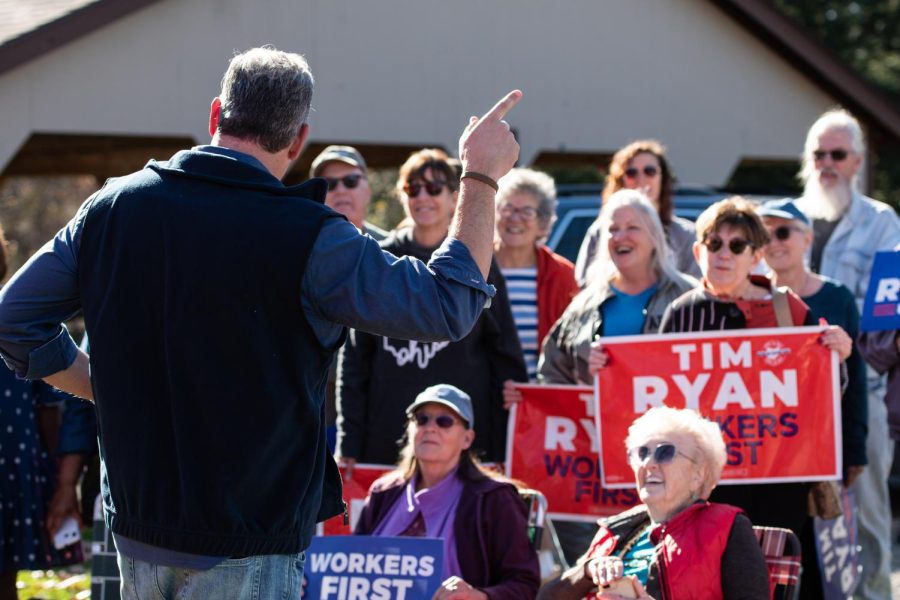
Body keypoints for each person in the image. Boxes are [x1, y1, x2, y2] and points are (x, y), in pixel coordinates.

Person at [0, 46, 523, 599]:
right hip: (247, 541)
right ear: (298, 141)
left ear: (215, 114)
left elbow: (14, 319)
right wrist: (481, 176)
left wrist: (96, 385)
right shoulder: (313, 235)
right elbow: (448, 304)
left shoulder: (113, 207)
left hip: (138, 527)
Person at [507, 190, 695, 565]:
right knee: (601, 564)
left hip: (668, 461)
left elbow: (709, 373)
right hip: (595, 468)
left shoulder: (687, 297)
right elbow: (551, 374)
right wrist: (531, 400)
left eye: (632, 228)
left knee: (661, 564)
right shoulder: (584, 304)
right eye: (612, 229)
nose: (621, 237)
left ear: (655, 237)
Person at [659, 197, 851, 541]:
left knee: (774, 577)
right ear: (700, 251)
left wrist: (836, 356)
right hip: (706, 478)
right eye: (714, 243)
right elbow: (658, 392)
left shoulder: (786, 308)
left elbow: (825, 391)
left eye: (737, 245)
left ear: (756, 256)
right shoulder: (681, 313)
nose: (724, 254)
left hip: (779, 476)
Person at [336, 149, 526, 468]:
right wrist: (348, 442)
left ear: (455, 198)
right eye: (414, 189)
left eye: (434, 188)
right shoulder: (380, 259)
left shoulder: (476, 263)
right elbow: (355, 361)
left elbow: (504, 355)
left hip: (464, 439)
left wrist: (503, 445)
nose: (423, 196)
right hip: (386, 441)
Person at [795, 109, 900, 600]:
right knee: (800, 509)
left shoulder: (881, 222)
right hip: (793, 394)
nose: (827, 164)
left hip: (865, 387)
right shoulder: (786, 220)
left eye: (838, 155)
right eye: (819, 154)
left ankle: (877, 593)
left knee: (869, 506)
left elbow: (882, 316)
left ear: (857, 161)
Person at [537, 406, 769, 599]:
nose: (648, 463)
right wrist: (587, 571)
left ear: (698, 474)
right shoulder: (618, 530)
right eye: (642, 453)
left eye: (664, 453)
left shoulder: (728, 527)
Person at [758, 198, 867, 598]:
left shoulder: (837, 297)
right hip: (770, 454)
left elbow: (853, 379)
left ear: (807, 239)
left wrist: (854, 449)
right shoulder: (750, 296)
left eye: (782, 232)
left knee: (823, 556)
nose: (773, 242)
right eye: (764, 234)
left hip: (822, 450)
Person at [354, 384, 540, 600]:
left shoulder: (494, 498)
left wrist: (479, 596)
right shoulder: (384, 492)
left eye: (444, 421)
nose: (430, 427)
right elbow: (351, 567)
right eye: (421, 419)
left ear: (467, 439)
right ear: (409, 430)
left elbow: (524, 583)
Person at [0, 223, 97, 600]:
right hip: (14, 470)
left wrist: (63, 485)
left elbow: (51, 408)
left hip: (11, 474)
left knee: (4, 576)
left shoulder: (16, 324)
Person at [574, 140, 701, 286]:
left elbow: (695, 291)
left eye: (650, 171)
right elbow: (583, 285)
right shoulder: (600, 232)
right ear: (620, 180)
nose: (641, 180)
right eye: (631, 173)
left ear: (663, 178)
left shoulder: (685, 236)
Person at [493, 168, 578, 380]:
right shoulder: (475, 269)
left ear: (543, 223)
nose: (515, 218)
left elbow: (572, 345)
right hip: (484, 399)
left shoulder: (563, 275)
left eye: (527, 212)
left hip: (542, 398)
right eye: (508, 208)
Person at [309, 145, 387, 240]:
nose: (341, 191)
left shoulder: (392, 248)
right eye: (328, 184)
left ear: (368, 190)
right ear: (315, 195)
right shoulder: (299, 248)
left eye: (351, 180)